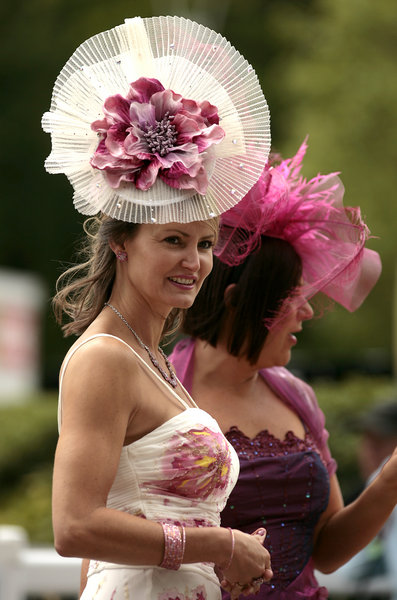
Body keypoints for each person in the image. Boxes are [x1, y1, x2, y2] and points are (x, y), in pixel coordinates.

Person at [42, 15, 273, 600]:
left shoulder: (153, 357)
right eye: (172, 240)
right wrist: (219, 545)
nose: (194, 262)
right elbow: (74, 527)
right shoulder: (104, 359)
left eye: (202, 244)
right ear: (121, 243)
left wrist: (218, 561)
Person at [168, 140, 397, 599]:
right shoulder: (162, 393)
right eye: (292, 296)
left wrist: (389, 480)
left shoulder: (297, 396)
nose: (307, 312)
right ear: (237, 301)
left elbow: (327, 551)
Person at [335, 400, 397, 599]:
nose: (367, 452)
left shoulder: (383, 477)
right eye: (366, 441)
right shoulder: (360, 494)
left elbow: (342, 569)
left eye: (378, 443)